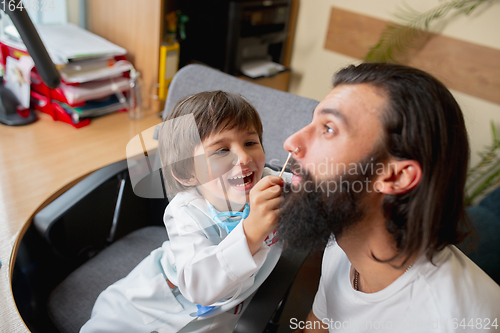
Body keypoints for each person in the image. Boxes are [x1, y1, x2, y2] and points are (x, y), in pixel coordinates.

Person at [278, 63, 500, 332]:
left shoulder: (452, 322)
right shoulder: (344, 243)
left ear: (395, 176)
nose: (291, 142)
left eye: (329, 129)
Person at [81, 91, 287, 333]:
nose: (243, 157)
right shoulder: (185, 212)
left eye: (250, 143)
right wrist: (251, 232)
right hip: (152, 302)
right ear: (187, 174)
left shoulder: (273, 184)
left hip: (215, 318)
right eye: (221, 150)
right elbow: (199, 287)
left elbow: (312, 188)